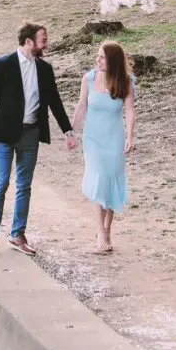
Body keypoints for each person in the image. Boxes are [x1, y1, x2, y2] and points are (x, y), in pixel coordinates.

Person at [0, 21, 76, 255]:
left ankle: (17, 234)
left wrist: (68, 130)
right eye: (43, 39)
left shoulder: (44, 69)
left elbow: (55, 101)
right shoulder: (3, 64)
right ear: (29, 42)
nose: (46, 43)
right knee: (1, 183)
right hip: (3, 134)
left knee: (24, 186)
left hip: (31, 133)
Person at [72, 40, 135, 253]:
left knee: (111, 181)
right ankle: (100, 232)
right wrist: (71, 131)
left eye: (102, 57)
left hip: (114, 138)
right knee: (99, 179)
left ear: (113, 61)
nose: (97, 60)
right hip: (93, 139)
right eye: (97, 56)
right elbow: (82, 106)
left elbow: (130, 110)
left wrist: (129, 136)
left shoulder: (125, 82)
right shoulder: (88, 79)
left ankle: (108, 229)